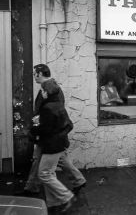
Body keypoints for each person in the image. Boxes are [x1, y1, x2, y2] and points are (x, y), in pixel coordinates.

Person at [21, 65, 86, 201]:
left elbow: (54, 111)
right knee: (60, 159)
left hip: (49, 134)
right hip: (53, 134)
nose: (34, 76)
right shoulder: (50, 86)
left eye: (34, 74)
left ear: (40, 74)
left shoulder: (50, 88)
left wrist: (38, 122)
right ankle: (78, 180)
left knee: (41, 162)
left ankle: (39, 190)